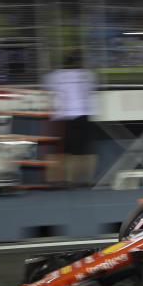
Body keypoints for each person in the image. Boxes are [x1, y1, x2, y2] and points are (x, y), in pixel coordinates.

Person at [45, 51, 98, 188]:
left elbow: (48, 92)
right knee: (83, 149)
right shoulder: (88, 75)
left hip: (63, 116)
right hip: (82, 114)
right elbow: (91, 90)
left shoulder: (55, 76)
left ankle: (62, 179)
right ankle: (82, 179)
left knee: (63, 150)